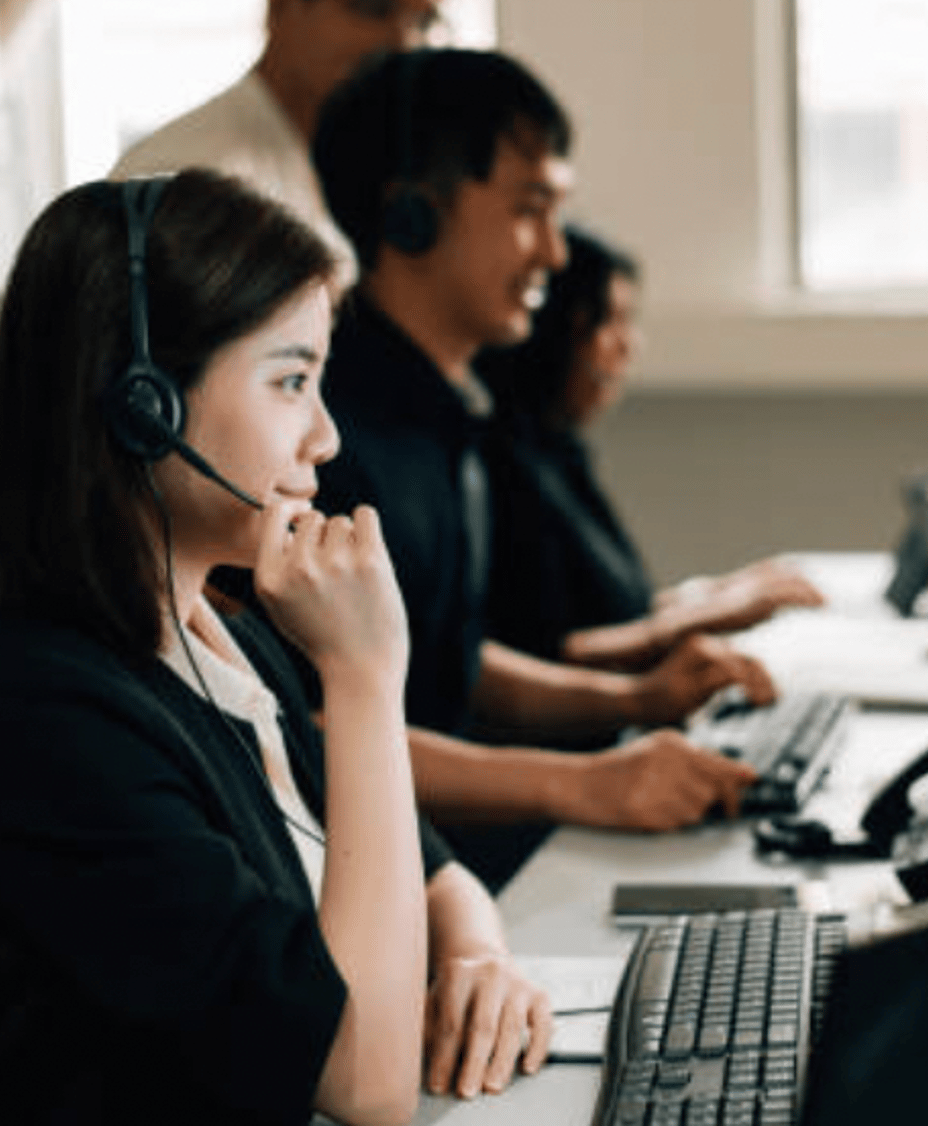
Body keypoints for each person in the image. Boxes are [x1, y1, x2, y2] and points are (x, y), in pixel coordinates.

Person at [0, 169, 550, 1125]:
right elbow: (364, 1086)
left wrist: (477, 958)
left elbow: (430, 868)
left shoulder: (227, 637)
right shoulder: (52, 730)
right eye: (292, 382)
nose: (328, 439)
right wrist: (369, 678)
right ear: (143, 407)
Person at [308, 48, 774, 889]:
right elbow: (313, 729)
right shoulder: (324, 438)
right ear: (411, 214)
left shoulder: (450, 411)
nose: (557, 256)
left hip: (452, 855)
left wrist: (636, 703)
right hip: (391, 884)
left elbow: (453, 664)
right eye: (531, 210)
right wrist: (584, 784)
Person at [476, 223, 825, 673]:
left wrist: (727, 590)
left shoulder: (558, 453)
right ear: (556, 330)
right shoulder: (499, 466)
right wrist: (713, 616)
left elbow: (618, 610)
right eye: (609, 321)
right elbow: (546, 651)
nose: (628, 345)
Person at [110, 0, 459, 288]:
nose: (406, 47)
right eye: (373, 7)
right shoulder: (187, 182)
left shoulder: (393, 185)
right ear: (282, 1)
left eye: (424, 21)